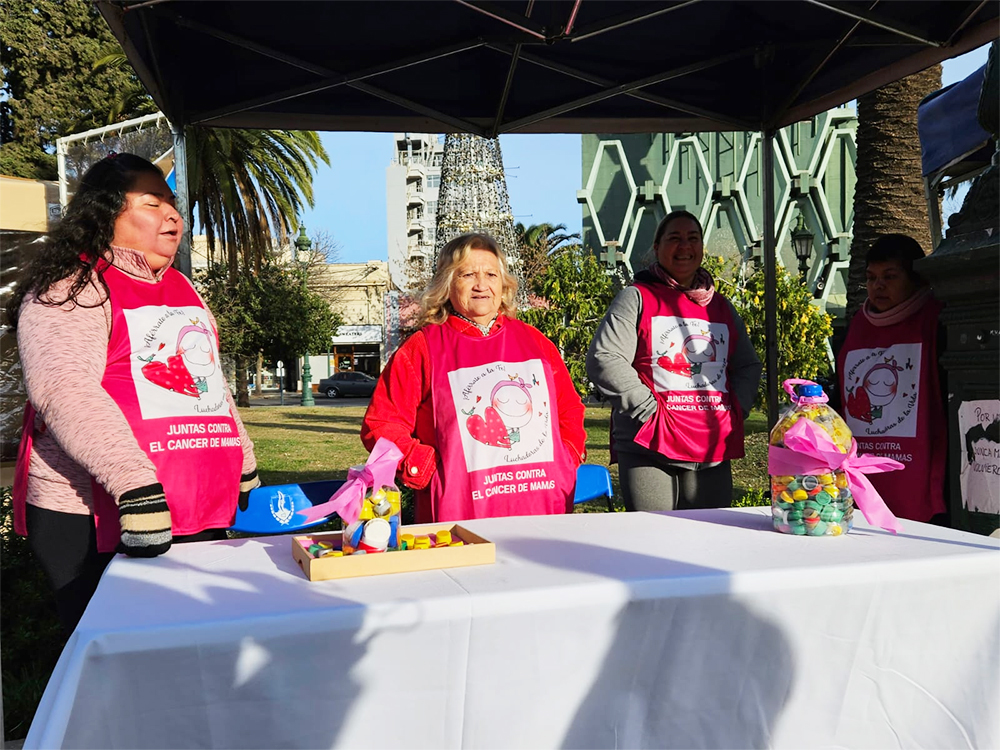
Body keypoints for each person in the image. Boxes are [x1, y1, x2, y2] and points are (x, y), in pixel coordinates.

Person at [7, 153, 260, 633]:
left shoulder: (183, 286)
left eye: (172, 203)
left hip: (190, 504)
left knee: (192, 647)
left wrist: (241, 460)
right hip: (95, 514)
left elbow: (210, 385)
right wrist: (135, 487)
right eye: (152, 203)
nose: (172, 215)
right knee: (117, 654)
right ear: (106, 214)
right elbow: (65, 389)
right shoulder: (70, 286)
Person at [361, 232, 586, 523]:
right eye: (468, 274)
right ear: (447, 284)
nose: (481, 284)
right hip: (460, 512)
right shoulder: (423, 347)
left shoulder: (535, 342)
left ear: (503, 285)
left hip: (541, 505)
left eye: (491, 274)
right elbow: (381, 424)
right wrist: (425, 467)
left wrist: (567, 459)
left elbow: (569, 409)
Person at [586, 210, 761, 512]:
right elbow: (605, 358)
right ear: (656, 247)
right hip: (649, 446)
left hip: (711, 447)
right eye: (674, 238)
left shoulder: (720, 306)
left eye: (693, 239)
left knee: (710, 539)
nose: (684, 246)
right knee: (654, 542)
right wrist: (651, 413)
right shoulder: (636, 297)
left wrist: (734, 412)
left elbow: (747, 364)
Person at [837, 234, 946, 523]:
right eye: (871, 278)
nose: (878, 286)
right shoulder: (857, 326)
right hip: (862, 471)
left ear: (916, 279)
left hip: (920, 474)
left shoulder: (937, 320)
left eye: (890, 276)